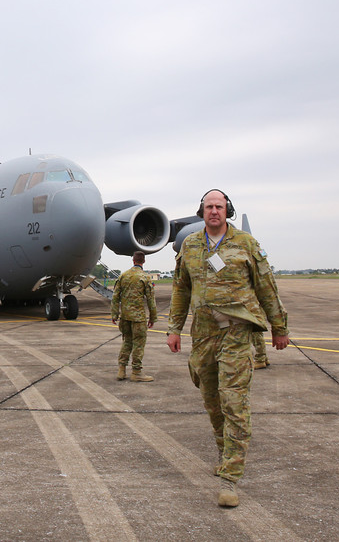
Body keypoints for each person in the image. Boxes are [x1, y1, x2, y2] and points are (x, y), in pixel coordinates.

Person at [166, 189, 289, 508]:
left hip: (236, 333)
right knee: (211, 399)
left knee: (233, 399)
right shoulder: (191, 246)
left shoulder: (245, 244)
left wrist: (279, 327)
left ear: (228, 210)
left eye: (219, 206)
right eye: (209, 207)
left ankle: (231, 477)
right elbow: (180, 289)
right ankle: (225, 453)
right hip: (203, 335)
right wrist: (174, 328)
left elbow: (266, 287)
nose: (214, 211)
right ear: (201, 212)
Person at [112, 250, 157, 382]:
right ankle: (136, 371)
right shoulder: (144, 277)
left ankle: (121, 369)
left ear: (133, 260)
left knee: (127, 341)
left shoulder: (123, 276)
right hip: (138, 318)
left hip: (125, 317)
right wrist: (153, 318)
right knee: (138, 344)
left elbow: (115, 297)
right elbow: (150, 300)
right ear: (143, 261)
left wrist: (115, 314)